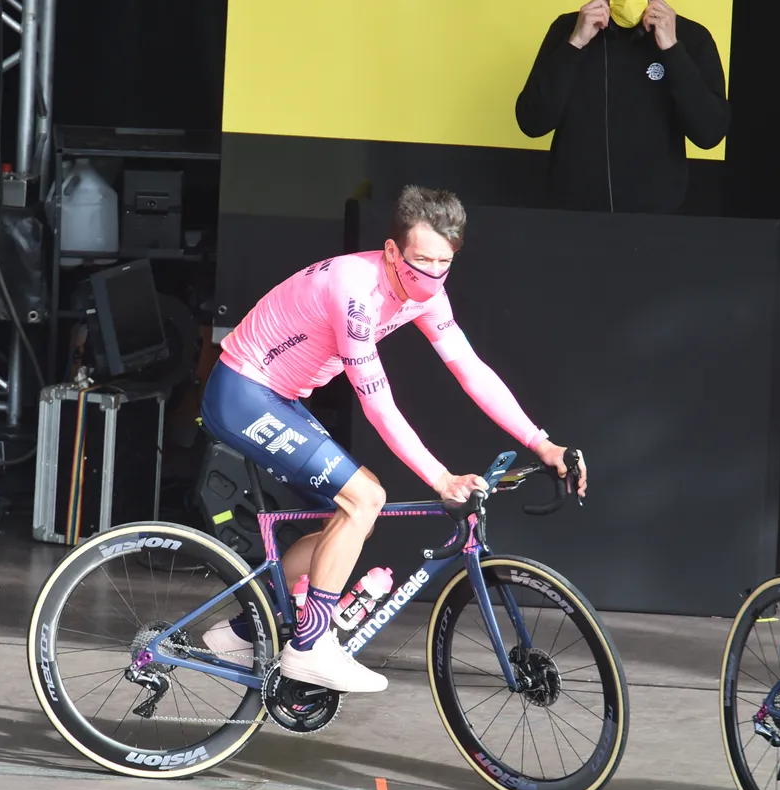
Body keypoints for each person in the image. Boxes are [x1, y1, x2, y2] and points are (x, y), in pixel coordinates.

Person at [198, 185, 587, 693]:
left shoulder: (428, 295)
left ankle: (245, 630)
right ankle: (311, 646)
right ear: (390, 251)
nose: (430, 274)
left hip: (280, 396)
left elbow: (471, 370)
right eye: (420, 259)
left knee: (351, 517)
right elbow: (377, 403)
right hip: (243, 392)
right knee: (366, 497)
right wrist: (440, 477)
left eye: (443, 262)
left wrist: (543, 444)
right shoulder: (355, 291)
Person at [515, 0, 729, 213]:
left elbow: (709, 133)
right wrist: (575, 43)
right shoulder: (568, 29)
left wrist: (672, 49)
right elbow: (532, 122)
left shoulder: (692, 36)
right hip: (571, 218)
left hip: (657, 222)